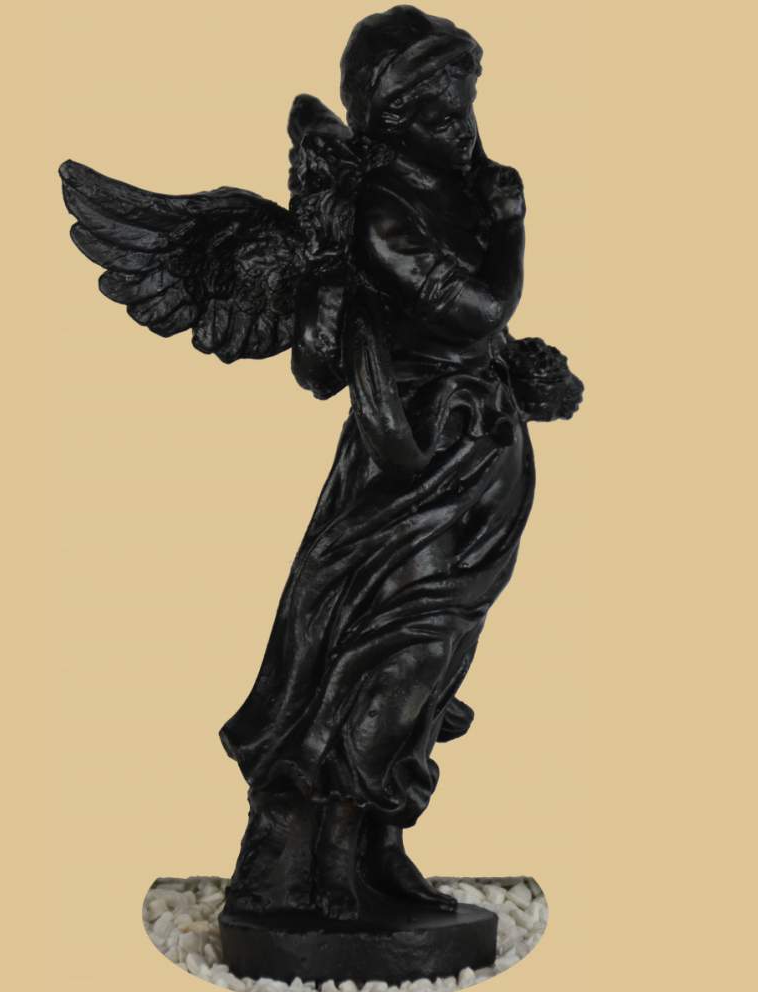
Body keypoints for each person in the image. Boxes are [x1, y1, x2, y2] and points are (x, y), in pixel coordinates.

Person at [219, 5, 540, 921]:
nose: (460, 129)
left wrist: (527, 371)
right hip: (411, 468)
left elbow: (488, 338)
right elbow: (479, 309)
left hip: (476, 463)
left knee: (434, 663)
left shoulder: (452, 194)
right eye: (436, 114)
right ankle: (309, 863)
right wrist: (513, 225)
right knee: (396, 644)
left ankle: (375, 848)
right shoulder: (381, 214)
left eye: (464, 107)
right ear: (388, 121)